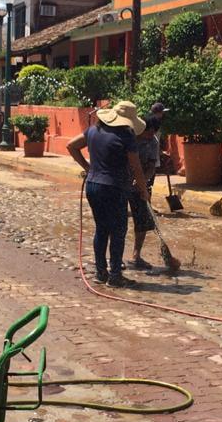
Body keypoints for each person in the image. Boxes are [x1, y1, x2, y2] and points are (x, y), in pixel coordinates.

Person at [67, 100, 147, 288]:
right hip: (114, 187)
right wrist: (144, 191)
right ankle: (115, 275)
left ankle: (101, 273)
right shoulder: (126, 135)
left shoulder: (94, 130)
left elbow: (71, 146)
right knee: (118, 231)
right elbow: (136, 167)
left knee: (101, 229)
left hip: (93, 186)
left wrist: (89, 168)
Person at [128, 115, 160, 269]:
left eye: (153, 133)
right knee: (117, 221)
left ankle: (136, 255)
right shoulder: (129, 138)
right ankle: (115, 258)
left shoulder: (153, 142)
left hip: (141, 186)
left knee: (142, 221)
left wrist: (143, 181)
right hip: (121, 183)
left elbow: (152, 166)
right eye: (149, 132)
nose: (150, 136)